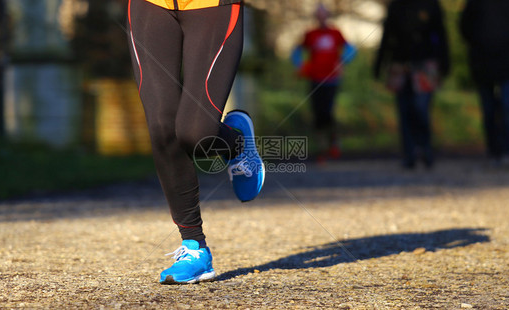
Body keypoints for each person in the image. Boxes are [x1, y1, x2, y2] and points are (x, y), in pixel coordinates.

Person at [127, 0, 265, 284]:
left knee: (196, 133)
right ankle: (194, 247)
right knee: (162, 127)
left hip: (213, 6)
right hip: (150, 5)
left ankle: (236, 144)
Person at [374, 0, 449, 169]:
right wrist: (379, 64)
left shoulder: (431, 5)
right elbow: (387, 35)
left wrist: (444, 63)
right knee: (404, 110)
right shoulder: (396, 6)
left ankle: (425, 148)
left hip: (425, 65)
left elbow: (441, 34)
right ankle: (410, 153)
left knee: (421, 108)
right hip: (400, 66)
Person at [460, 0, 509, 164]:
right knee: (490, 109)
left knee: (506, 107)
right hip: (484, 61)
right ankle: (494, 150)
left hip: (505, 61)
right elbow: (465, 26)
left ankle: (506, 150)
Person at [291, 3, 356, 162]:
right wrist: (302, 66)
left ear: (327, 15)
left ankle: (333, 142)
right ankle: (321, 149)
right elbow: (296, 53)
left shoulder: (335, 33)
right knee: (318, 113)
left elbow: (351, 50)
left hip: (332, 80)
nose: (321, 17)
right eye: (318, 14)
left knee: (328, 112)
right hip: (315, 79)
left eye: (323, 14)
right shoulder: (310, 34)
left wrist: (342, 61)